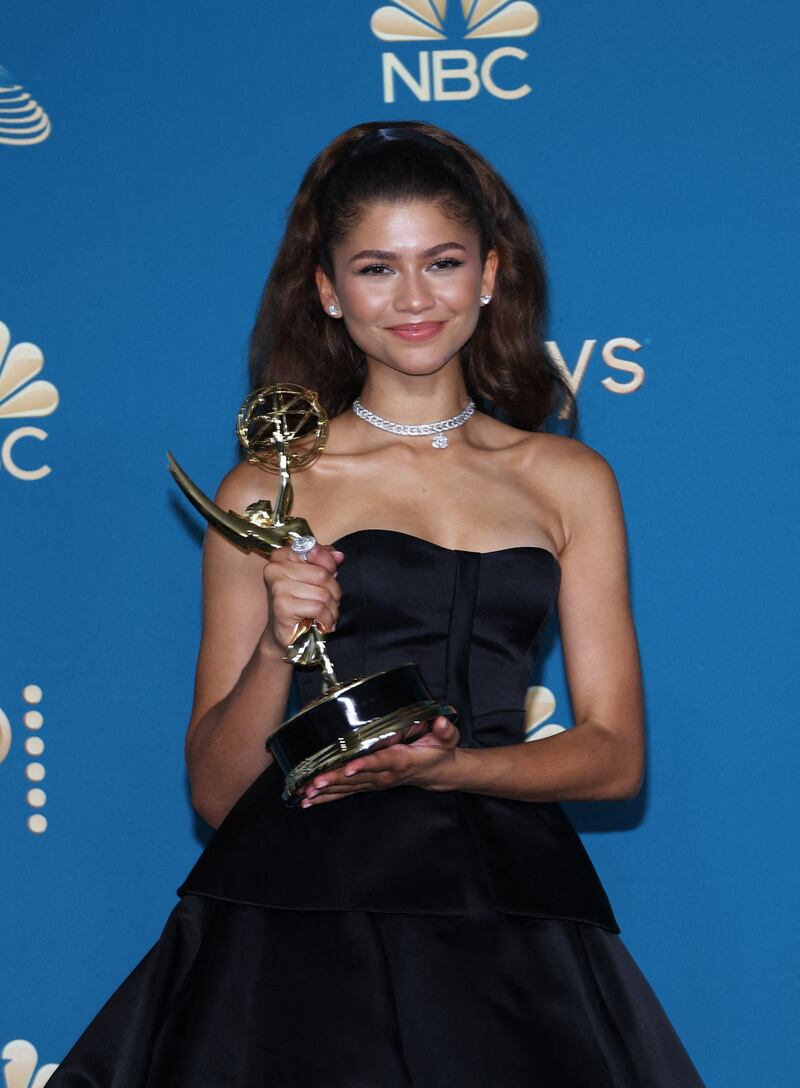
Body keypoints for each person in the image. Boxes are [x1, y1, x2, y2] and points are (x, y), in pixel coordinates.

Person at [50, 121, 706, 1086]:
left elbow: (615, 756)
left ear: (490, 273)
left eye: (441, 262)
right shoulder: (266, 490)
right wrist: (277, 647)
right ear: (328, 291)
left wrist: (451, 770)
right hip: (297, 927)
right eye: (375, 269)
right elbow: (218, 793)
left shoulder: (569, 480)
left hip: (510, 918)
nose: (413, 299)